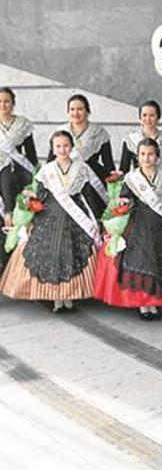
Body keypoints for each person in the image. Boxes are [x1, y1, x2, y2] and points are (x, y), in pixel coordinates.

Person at [0, 130, 107, 312]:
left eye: (66, 145)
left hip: (76, 213)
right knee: (51, 251)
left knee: (74, 251)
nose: (62, 149)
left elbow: (88, 193)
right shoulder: (47, 170)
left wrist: (97, 217)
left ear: (71, 147)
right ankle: (57, 299)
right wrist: (29, 207)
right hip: (50, 212)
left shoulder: (81, 168)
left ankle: (70, 297)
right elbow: (41, 194)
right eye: (58, 146)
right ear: (53, 148)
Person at [93, 138, 162, 320]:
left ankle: (154, 303)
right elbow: (124, 199)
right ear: (137, 156)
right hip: (138, 224)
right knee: (141, 260)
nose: (146, 158)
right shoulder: (131, 178)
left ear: (157, 156)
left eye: (150, 154)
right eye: (143, 154)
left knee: (160, 261)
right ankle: (144, 304)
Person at [0, 87, 38, 269]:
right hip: (1, 177)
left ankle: (25, 264)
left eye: (6, 101)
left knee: (26, 220)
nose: (3, 105)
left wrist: (35, 180)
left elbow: (31, 155)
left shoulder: (23, 124)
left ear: (13, 103)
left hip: (22, 175)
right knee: (5, 221)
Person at [51, 94, 115, 180]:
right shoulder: (60, 132)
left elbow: (108, 165)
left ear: (87, 111)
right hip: (63, 179)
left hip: (92, 181)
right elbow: (50, 160)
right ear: (68, 111)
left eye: (80, 109)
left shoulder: (99, 133)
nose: (75, 113)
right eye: (72, 109)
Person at [120, 100, 162, 186]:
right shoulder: (130, 139)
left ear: (158, 117)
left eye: (152, 115)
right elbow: (124, 169)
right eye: (144, 115)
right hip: (139, 187)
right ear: (140, 117)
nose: (148, 119)